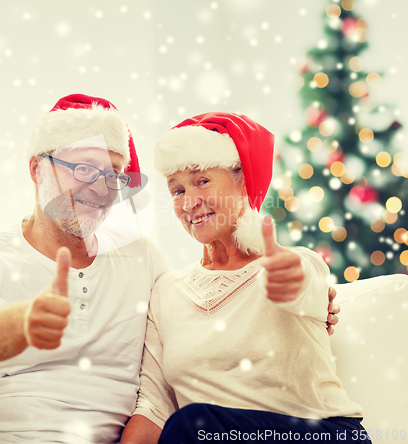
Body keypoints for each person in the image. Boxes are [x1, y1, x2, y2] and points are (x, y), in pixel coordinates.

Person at [0, 94, 172, 444]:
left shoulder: (142, 258)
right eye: (85, 169)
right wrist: (24, 322)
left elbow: (158, 388)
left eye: (113, 174)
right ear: (37, 168)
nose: (101, 189)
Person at [121, 112, 368, 444]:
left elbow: (304, 285)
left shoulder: (294, 262)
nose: (190, 202)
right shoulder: (166, 291)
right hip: (207, 436)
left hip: (322, 435)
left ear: (244, 181)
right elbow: (154, 408)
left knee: (196, 424)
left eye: (202, 181)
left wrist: (287, 278)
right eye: (177, 190)